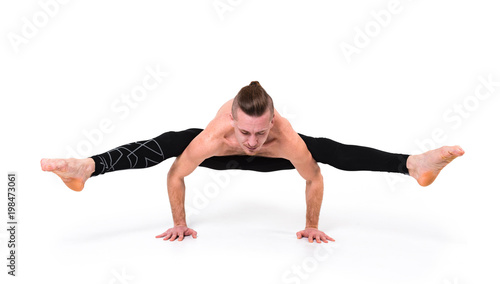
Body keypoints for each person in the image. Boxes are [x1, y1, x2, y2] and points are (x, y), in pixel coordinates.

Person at [41, 81, 465, 243]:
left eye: (261, 131)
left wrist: (313, 225)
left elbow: (313, 178)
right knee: (171, 141)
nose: (252, 140)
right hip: (218, 160)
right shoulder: (215, 135)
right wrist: (180, 222)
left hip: (274, 162)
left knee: (327, 148)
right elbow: (177, 173)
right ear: (231, 119)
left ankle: (413, 165)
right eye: (245, 131)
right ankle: (87, 168)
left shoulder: (284, 137)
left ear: (273, 121)